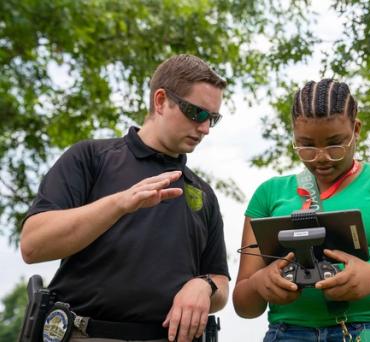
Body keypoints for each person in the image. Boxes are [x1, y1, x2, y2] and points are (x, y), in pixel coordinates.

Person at [20, 54, 230, 342]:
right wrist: (119, 204)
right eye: (197, 113)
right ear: (160, 101)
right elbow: (33, 246)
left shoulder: (203, 193)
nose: (205, 129)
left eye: (213, 119)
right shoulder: (90, 158)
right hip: (85, 333)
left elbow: (220, 281)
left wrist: (204, 286)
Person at [232, 79, 370, 341]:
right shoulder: (269, 194)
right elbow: (244, 305)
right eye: (307, 145)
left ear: (356, 129)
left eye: (335, 144)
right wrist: (261, 283)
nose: (322, 157)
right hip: (288, 333)